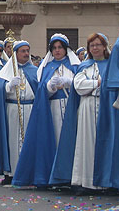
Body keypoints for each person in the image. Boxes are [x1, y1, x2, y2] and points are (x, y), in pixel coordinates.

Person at [12, 34, 80, 187]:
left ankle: (71, 176)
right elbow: (42, 90)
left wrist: (70, 82)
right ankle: (55, 175)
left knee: (71, 141)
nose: (57, 51)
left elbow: (81, 84)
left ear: (65, 49)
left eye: (60, 48)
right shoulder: (46, 67)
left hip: (71, 107)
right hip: (53, 109)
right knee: (55, 140)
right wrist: (50, 86)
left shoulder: (75, 66)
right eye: (54, 48)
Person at [50, 33, 110, 193]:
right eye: (92, 45)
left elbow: (112, 85)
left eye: (98, 45)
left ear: (104, 46)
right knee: (86, 144)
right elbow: (79, 85)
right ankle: (87, 182)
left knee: (106, 143)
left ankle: (106, 182)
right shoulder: (85, 66)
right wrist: (97, 83)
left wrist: (92, 85)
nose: (95, 48)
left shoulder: (110, 65)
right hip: (87, 108)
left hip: (106, 108)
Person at [0, 40, 37, 184]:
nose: (26, 54)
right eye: (23, 51)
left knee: (28, 141)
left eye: (27, 51)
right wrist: (8, 86)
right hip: (12, 109)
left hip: (30, 109)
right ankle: (11, 171)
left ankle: (28, 171)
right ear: (16, 54)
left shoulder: (34, 71)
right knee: (13, 141)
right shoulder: (8, 70)